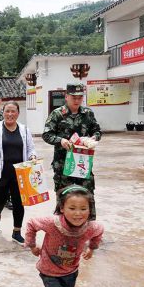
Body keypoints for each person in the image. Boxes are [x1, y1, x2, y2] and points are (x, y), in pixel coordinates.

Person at [25, 185, 103, 287]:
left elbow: (99, 231)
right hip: (49, 272)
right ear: (62, 208)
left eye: (84, 208)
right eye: (72, 208)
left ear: (90, 209)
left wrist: (92, 248)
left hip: (71, 272)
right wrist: (31, 245)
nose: (78, 213)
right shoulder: (52, 223)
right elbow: (31, 223)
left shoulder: (90, 227)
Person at [42, 83, 102, 220]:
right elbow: (46, 134)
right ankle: (61, 229)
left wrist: (94, 138)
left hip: (83, 163)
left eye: (80, 98)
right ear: (66, 96)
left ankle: (90, 228)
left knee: (87, 194)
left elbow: (97, 131)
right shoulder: (57, 114)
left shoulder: (88, 114)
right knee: (64, 197)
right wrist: (60, 141)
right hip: (63, 164)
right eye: (74, 97)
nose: (76, 101)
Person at [0, 101, 36, 245]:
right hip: (1, 172)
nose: (10, 114)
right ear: (3, 113)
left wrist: (33, 157)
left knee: (19, 203)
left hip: (20, 173)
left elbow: (31, 148)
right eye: (7, 111)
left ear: (18, 113)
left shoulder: (24, 130)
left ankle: (16, 232)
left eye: (13, 111)